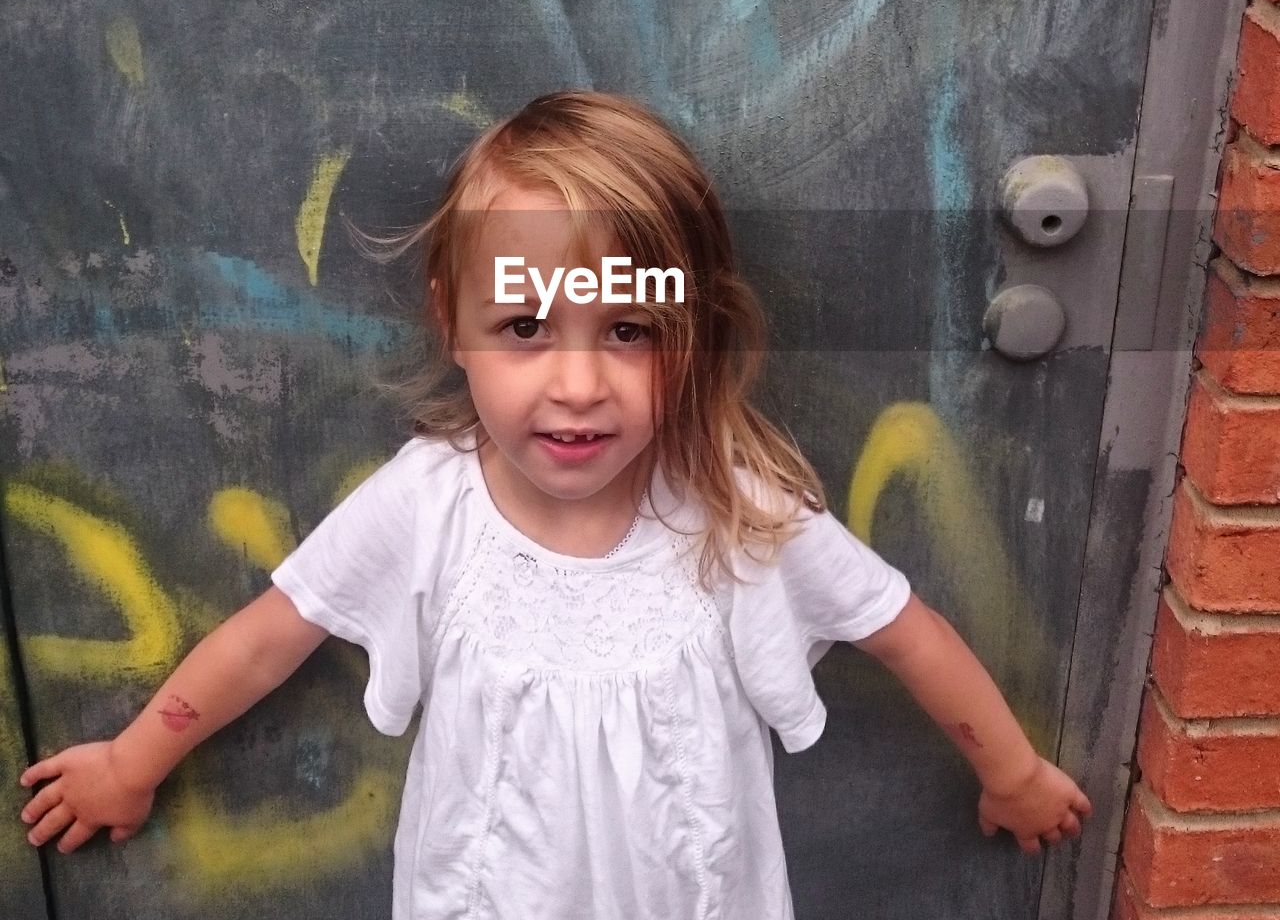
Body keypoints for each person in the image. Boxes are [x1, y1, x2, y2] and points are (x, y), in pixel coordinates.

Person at [17, 91, 1092, 918]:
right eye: (526, 327)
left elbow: (900, 629)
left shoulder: (737, 515)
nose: (576, 384)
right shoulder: (428, 504)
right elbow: (267, 638)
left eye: (625, 329)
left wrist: (1010, 770)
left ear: (688, 330)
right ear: (452, 320)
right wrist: (130, 761)